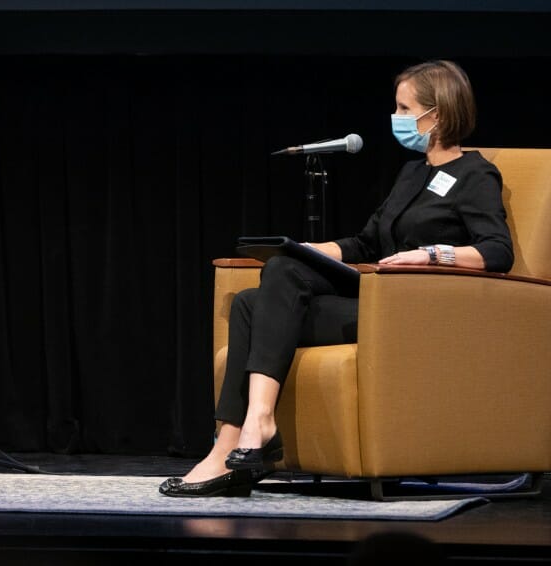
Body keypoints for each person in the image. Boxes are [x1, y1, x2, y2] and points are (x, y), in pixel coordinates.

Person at [160, 59, 514, 497]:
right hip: (378, 299)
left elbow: (498, 251)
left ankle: (251, 434)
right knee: (257, 295)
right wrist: (301, 250)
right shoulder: (412, 173)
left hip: (413, 312)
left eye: (405, 109)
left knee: (267, 298)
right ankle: (233, 445)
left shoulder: (475, 174)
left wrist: (430, 254)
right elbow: (365, 245)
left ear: (436, 114)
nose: (398, 119)